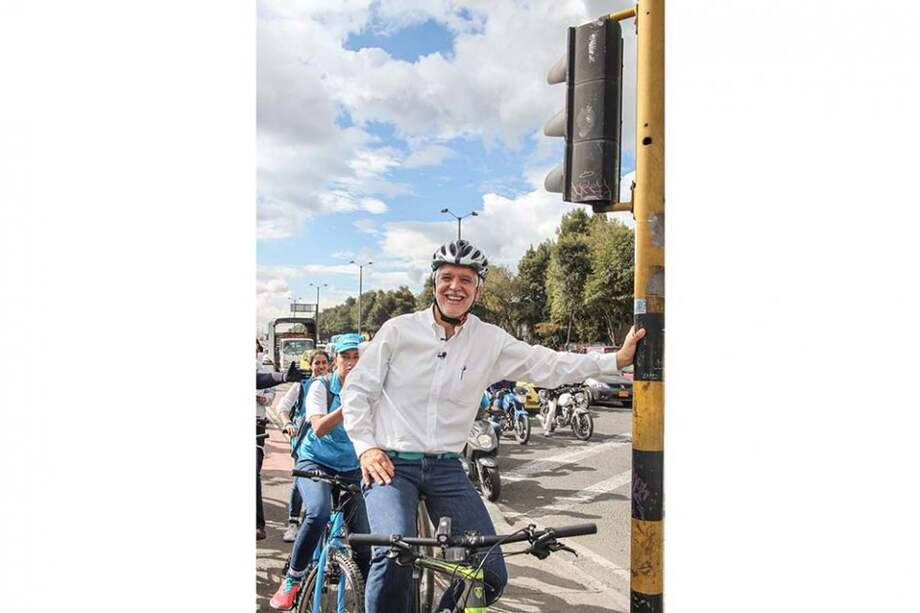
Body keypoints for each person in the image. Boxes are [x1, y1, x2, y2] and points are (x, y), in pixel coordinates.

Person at [341, 238, 645, 613]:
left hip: (447, 467)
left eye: (466, 280)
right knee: (393, 555)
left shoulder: (489, 339)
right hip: (392, 465)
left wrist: (614, 360)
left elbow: (546, 364)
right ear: (433, 283)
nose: (455, 286)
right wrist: (366, 447)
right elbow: (357, 391)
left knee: (488, 572)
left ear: (478, 289)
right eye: (447, 277)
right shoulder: (398, 331)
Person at [269, 334, 371, 611]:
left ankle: (370, 594)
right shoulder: (321, 386)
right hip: (315, 461)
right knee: (318, 511)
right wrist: (348, 402)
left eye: (356, 357)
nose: (351, 362)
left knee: (364, 538)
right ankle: (294, 577)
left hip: (352, 466)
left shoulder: (372, 389)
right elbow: (319, 427)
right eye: (345, 357)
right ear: (335, 359)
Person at [273, 350, 332, 542]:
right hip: (303, 439)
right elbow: (282, 407)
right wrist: (288, 424)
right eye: (317, 363)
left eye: (324, 363)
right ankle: (293, 522)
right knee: (300, 480)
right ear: (311, 365)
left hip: (327, 442)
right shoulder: (302, 385)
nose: (321, 366)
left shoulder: (334, 385)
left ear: (330, 364)